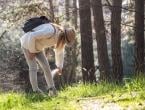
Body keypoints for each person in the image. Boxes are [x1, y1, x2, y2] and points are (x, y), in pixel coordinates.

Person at [20, 19, 75, 96]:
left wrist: (60, 66)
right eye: (65, 41)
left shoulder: (59, 37)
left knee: (46, 67)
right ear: (64, 37)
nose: (65, 43)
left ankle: (52, 90)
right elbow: (32, 36)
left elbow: (60, 52)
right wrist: (31, 51)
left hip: (37, 47)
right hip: (27, 44)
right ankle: (36, 92)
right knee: (33, 67)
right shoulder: (50, 31)